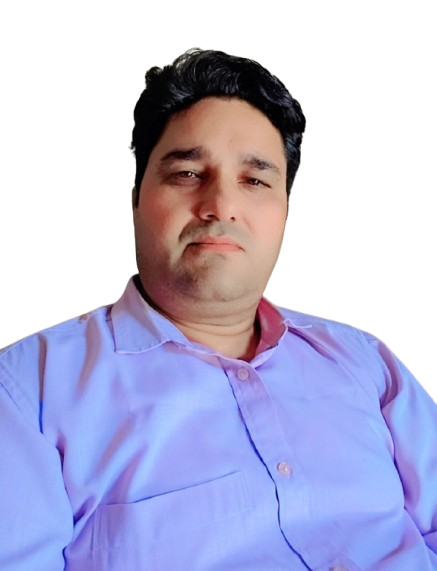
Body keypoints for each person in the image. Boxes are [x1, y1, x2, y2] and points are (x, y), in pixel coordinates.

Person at [0, 47, 435, 571]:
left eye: (255, 180)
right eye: (187, 173)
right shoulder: (25, 391)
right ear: (135, 197)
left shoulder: (366, 360)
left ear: (286, 210)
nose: (221, 206)